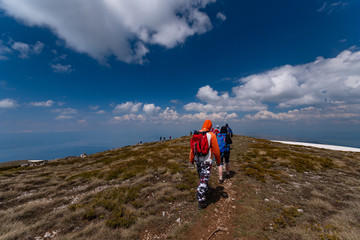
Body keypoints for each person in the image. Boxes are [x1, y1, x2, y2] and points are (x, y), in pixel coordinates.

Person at [189, 119, 221, 210]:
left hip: (197, 160)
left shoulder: (196, 134)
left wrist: (191, 159)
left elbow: (192, 149)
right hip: (207, 161)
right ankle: (201, 199)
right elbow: (216, 151)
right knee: (203, 179)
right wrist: (218, 162)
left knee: (201, 176)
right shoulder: (211, 135)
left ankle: (206, 190)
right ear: (210, 126)